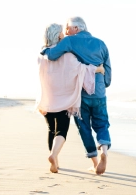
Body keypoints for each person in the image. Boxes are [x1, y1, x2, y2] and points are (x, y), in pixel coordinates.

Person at [41, 17, 112, 175]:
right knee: (102, 125)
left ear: (76, 28)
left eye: (68, 28)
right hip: (99, 93)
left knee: (84, 128)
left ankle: (94, 161)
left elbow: (52, 55)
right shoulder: (101, 43)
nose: (66, 32)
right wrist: (104, 83)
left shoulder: (70, 41)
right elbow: (107, 67)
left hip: (80, 94)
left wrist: (44, 50)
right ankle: (104, 152)